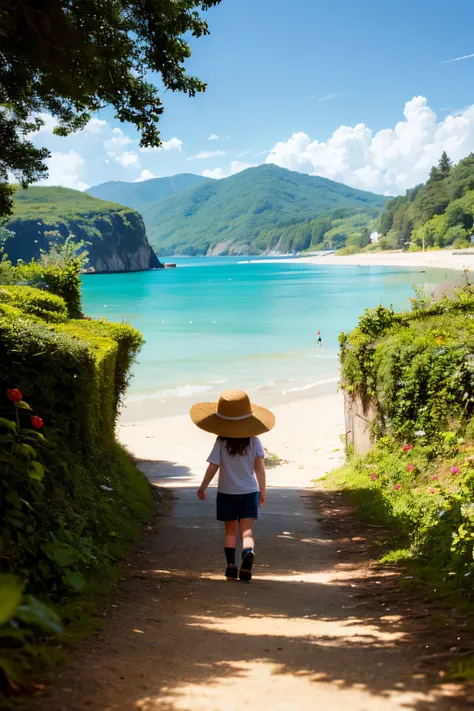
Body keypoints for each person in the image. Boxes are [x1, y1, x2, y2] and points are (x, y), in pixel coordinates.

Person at [190, 389, 275, 582]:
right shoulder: (254, 440)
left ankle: (230, 566)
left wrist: (203, 487)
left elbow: (213, 466)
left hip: (226, 493)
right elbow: (260, 468)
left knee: (230, 531)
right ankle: (248, 552)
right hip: (249, 492)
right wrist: (263, 491)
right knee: (247, 531)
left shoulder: (221, 441)